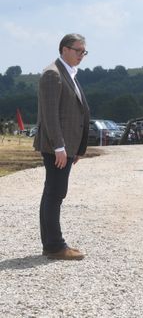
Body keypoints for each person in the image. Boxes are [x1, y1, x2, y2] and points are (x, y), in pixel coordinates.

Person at [33, 33, 90, 260]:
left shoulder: (69, 73)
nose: (81, 56)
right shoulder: (52, 74)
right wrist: (60, 147)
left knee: (53, 193)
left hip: (66, 147)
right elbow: (50, 115)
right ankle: (55, 246)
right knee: (55, 194)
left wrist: (74, 148)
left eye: (84, 52)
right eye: (78, 51)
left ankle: (51, 244)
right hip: (56, 148)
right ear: (64, 49)